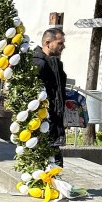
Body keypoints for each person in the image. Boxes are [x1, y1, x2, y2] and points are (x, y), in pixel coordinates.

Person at [32, 27, 68, 166]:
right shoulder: (38, 63)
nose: (63, 46)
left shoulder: (55, 62)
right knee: (47, 166)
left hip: (53, 124)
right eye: (60, 43)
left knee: (55, 166)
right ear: (47, 43)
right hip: (42, 125)